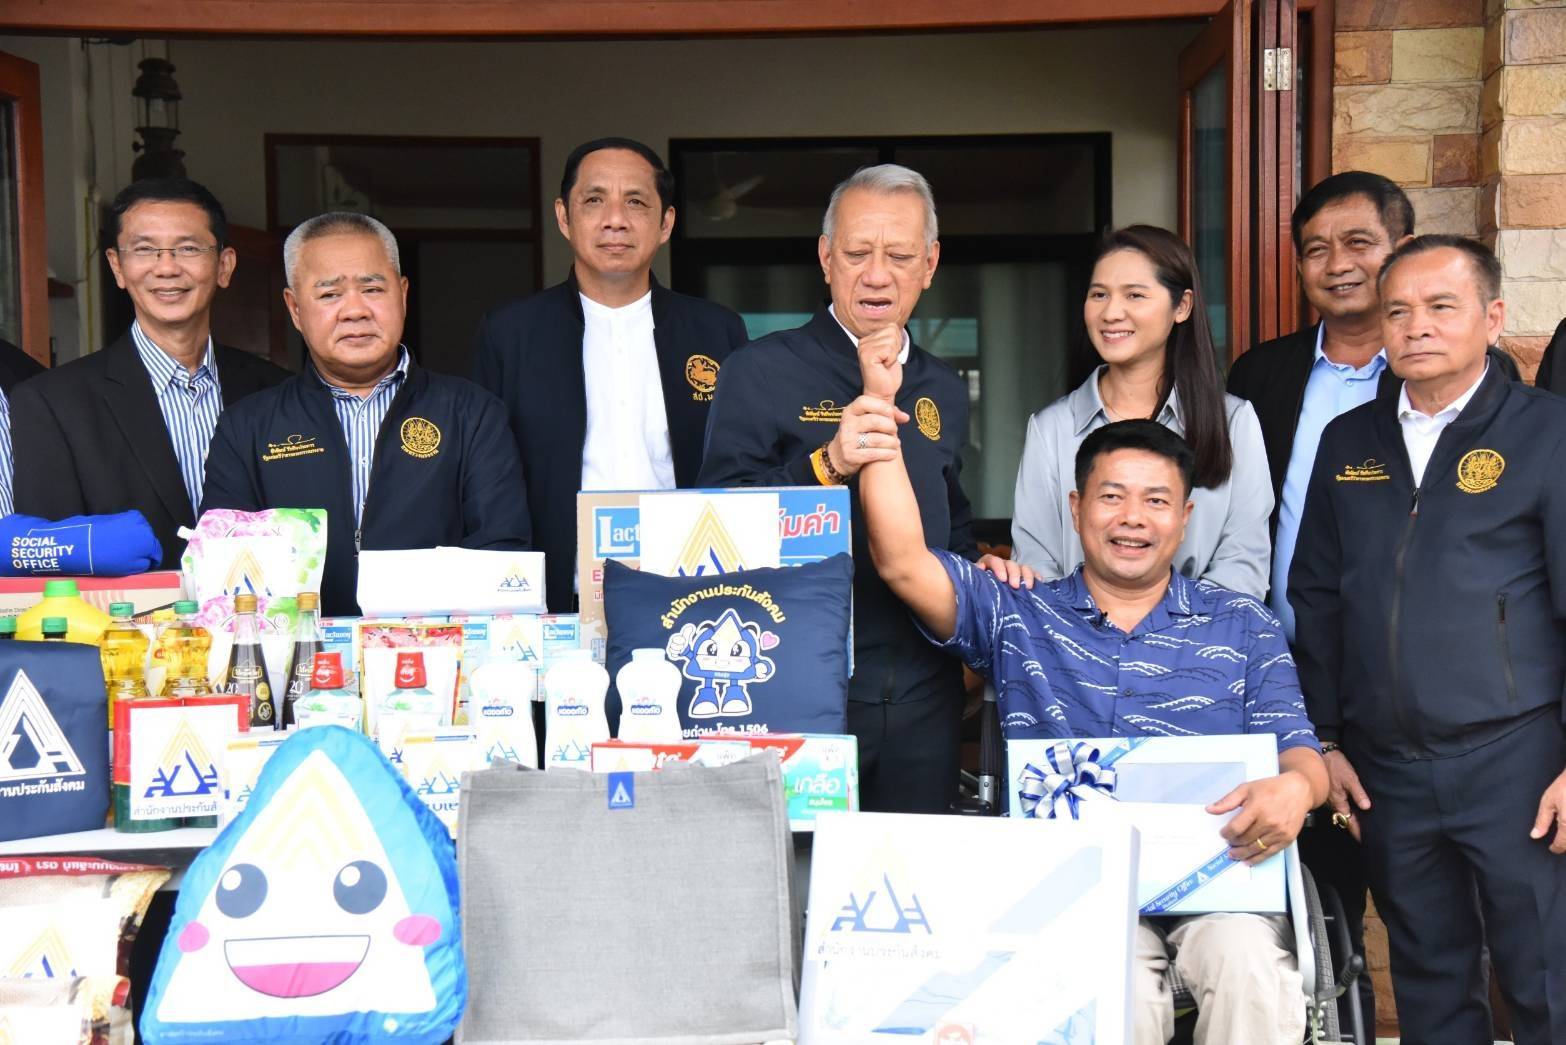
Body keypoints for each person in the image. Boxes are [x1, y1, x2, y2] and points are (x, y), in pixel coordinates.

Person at [857, 322, 1325, 1043]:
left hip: (1220, 889)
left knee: (1250, 968)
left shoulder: (1241, 624)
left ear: (1185, 518)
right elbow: (901, 561)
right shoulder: (1020, 613)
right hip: (1078, 894)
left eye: (1156, 501)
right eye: (1112, 497)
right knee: (1110, 985)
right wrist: (879, 410)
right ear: (1076, 509)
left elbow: (1299, 751)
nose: (1133, 518)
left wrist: (1297, 789)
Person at [1290, 235, 1566, 1045]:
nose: (1416, 326)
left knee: (1545, 978)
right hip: (1387, 768)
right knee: (1428, 985)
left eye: (1441, 306)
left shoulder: (1548, 433)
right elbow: (1316, 596)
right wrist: (1325, 738)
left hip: (1516, 757)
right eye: (1398, 311)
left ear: (1493, 318)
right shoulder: (1349, 440)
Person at [699, 164, 978, 814]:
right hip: (795, 684)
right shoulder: (760, 370)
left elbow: (953, 523)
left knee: (913, 869)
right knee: (796, 869)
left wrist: (984, 576)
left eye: (899, 256)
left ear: (930, 264)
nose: (877, 274)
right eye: (857, 254)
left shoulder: (941, 385)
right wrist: (825, 464)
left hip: (925, 695)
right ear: (826, 258)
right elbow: (713, 530)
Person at [1224, 169, 1414, 1027]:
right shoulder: (1260, 375)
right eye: (1315, 249)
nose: (1337, 264)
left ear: (1400, 248)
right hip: (1286, 682)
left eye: (1359, 243)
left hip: (1407, 688)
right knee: (1315, 924)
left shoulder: (1437, 373)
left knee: (1431, 920)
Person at [201, 212, 530, 616]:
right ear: (295, 309)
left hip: (434, 646)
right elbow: (226, 568)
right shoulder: (246, 427)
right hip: (298, 648)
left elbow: (501, 553)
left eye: (372, 289)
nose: (354, 310)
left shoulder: (473, 414)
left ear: (403, 295)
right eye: (329, 295)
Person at [472, 137, 748, 611]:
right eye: (594, 200)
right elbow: (485, 480)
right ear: (564, 217)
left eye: (636, 202)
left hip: (690, 591)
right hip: (554, 601)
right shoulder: (510, 333)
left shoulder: (716, 331)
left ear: (666, 223)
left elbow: (745, 467)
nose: (615, 219)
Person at [10, 178, 286, 565]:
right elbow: (53, 560)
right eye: (144, 250)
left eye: (188, 248)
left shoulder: (276, 391)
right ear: (117, 267)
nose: (166, 268)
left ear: (224, 266)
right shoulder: (51, 404)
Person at [1011, 225, 1272, 597]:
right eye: (1099, 294)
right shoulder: (1051, 427)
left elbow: (1243, 564)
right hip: (1074, 633)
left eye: (1134, 295)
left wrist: (1173, 627)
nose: (1111, 312)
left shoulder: (1234, 422)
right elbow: (1036, 563)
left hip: (1206, 633)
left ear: (1181, 307)